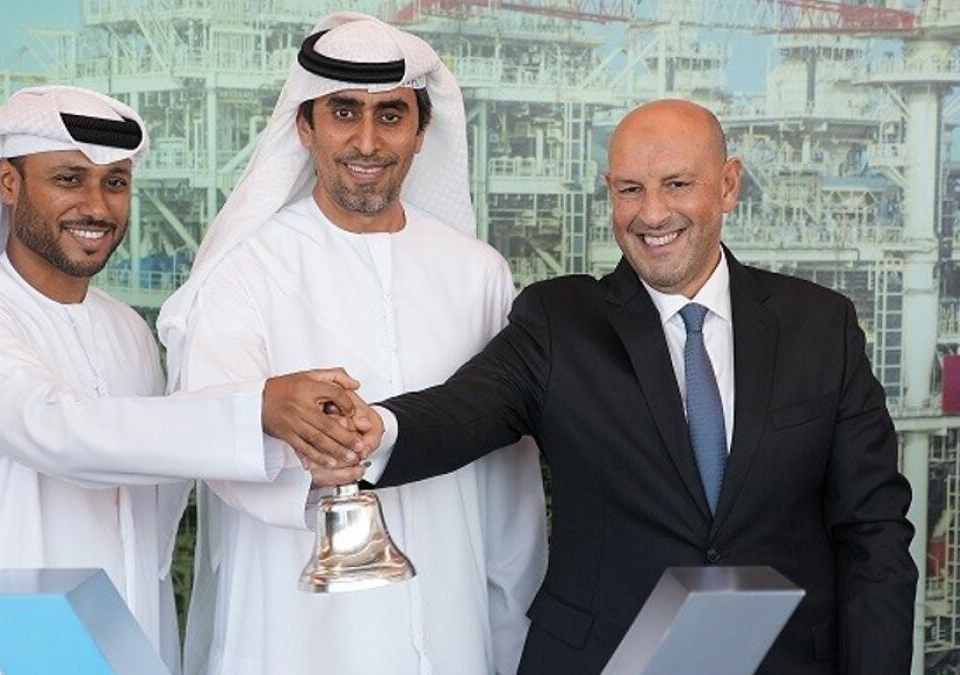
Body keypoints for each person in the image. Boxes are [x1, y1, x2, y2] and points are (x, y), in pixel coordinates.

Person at [357, 99, 917, 673]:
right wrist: (366, 432)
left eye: (677, 185)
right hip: (605, 659)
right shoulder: (558, 323)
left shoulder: (820, 325)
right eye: (630, 190)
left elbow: (873, 531)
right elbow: (463, 411)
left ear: (728, 185)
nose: (651, 214)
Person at [0, 86, 369, 675]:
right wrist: (258, 409)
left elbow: (160, 463)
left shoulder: (128, 331)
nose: (96, 206)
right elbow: (56, 430)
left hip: (121, 634)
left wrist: (312, 448)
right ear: (8, 184)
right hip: (1, 644)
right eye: (69, 179)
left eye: (115, 182)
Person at [157, 13, 547, 675]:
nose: (367, 141)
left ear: (422, 132)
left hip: (452, 634)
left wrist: (510, 639)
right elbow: (213, 443)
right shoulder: (244, 270)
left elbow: (507, 486)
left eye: (391, 115)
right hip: (296, 638)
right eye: (343, 112)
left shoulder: (478, 273)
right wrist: (303, 442)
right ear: (304, 126)